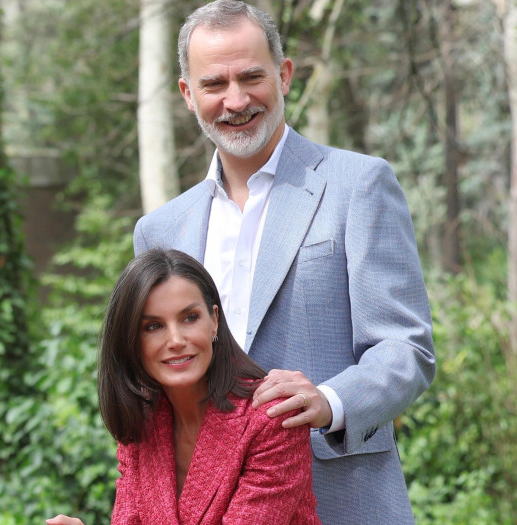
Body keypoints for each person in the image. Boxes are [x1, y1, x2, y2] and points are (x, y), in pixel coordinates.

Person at [132, 1, 436, 523]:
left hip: (339, 501)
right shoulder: (160, 230)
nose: (235, 100)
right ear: (187, 94)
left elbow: (406, 348)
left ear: (285, 75)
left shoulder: (358, 185)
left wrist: (329, 400)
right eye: (214, 84)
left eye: (252, 77)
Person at [48, 248, 320, 525]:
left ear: (214, 321)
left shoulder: (273, 418)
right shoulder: (143, 420)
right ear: (131, 341)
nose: (176, 340)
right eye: (153, 326)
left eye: (189, 318)